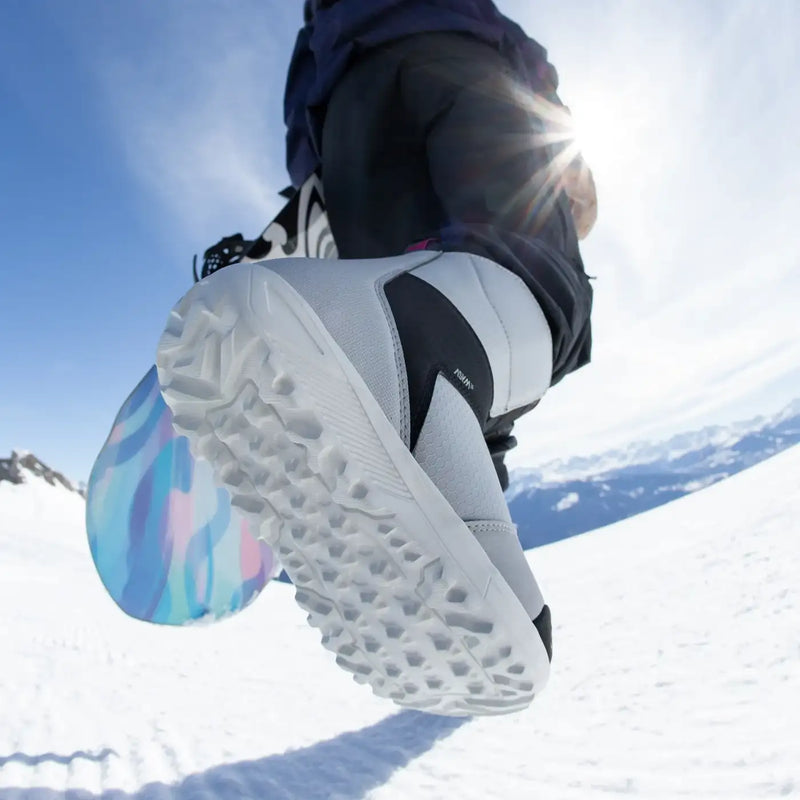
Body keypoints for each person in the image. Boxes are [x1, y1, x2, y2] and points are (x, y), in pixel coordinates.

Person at [157, 0, 596, 715]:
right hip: (455, 58)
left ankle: (468, 533)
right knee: (528, 275)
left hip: (347, 142)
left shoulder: (318, 33)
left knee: (439, 354)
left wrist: (311, 205)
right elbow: (520, 55)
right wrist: (555, 120)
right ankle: (397, 339)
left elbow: (307, 142)